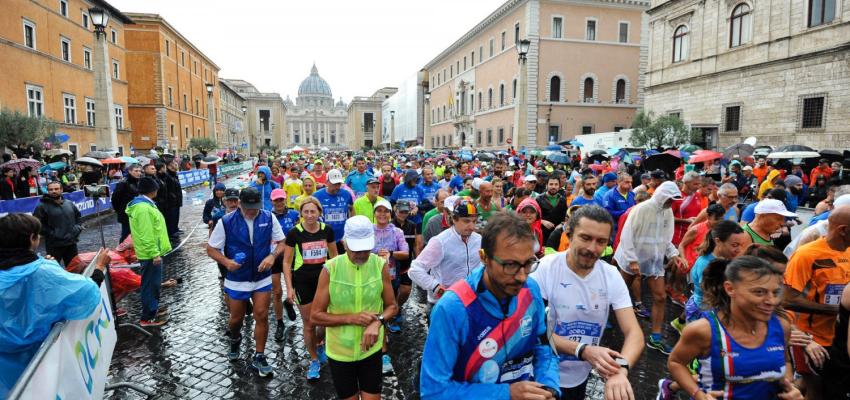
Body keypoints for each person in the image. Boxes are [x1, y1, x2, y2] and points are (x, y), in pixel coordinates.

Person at [419, 212, 560, 400]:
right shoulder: (452, 309)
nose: (521, 276)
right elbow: (433, 391)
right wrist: (506, 394)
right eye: (510, 265)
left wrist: (549, 387)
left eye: (528, 263)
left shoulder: (531, 289)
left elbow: (544, 347)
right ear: (484, 258)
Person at [533, 206, 643, 400]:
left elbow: (634, 333)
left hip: (578, 376)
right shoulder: (546, 269)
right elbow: (535, 331)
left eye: (601, 241)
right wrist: (582, 350)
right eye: (585, 238)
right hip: (541, 374)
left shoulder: (611, 276)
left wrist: (621, 369)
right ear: (569, 233)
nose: (592, 248)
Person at [666, 256, 803, 400]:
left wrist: (789, 387)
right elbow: (676, 362)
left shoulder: (781, 326)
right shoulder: (704, 330)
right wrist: (699, 395)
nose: (771, 301)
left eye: (775, 292)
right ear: (730, 289)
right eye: (759, 292)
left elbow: (786, 361)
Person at [0, 214, 103, 398]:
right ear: (32, 238)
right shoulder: (42, 271)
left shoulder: (37, 269)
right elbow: (87, 293)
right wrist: (99, 269)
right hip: (42, 361)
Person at [311, 216, 398, 400]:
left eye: (365, 250)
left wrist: (379, 322)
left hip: (371, 351)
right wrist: (351, 318)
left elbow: (392, 306)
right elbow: (316, 316)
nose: (361, 255)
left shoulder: (379, 265)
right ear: (344, 243)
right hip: (340, 353)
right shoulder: (330, 269)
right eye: (355, 250)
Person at [206, 187, 285, 377]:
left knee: (261, 315)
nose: (252, 211)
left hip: (261, 277)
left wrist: (272, 257)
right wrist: (227, 262)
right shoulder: (225, 222)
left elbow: (282, 242)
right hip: (237, 279)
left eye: (255, 207)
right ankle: (235, 338)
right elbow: (211, 249)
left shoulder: (268, 217)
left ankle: (259, 355)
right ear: (240, 204)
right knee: (236, 319)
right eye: (248, 207)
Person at [614, 181, 687, 353]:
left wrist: (674, 254)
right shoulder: (641, 209)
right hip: (631, 257)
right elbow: (627, 234)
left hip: (653, 260)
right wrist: (632, 259)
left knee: (660, 297)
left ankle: (655, 337)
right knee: (618, 292)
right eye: (670, 199)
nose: (672, 203)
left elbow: (666, 238)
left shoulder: (667, 212)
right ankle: (605, 321)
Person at [283, 196, 338, 381]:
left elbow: (334, 257)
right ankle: (314, 359)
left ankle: (320, 343)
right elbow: (286, 262)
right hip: (302, 282)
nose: (309, 215)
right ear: (300, 214)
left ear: (319, 213)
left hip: (324, 282)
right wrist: (289, 288)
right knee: (309, 323)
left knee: (323, 321)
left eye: (312, 211)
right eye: (305, 212)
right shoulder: (294, 233)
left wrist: (337, 281)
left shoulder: (327, 231)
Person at [409, 199, 481, 305]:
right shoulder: (440, 242)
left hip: (471, 301)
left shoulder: (478, 239)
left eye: (474, 221)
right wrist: (435, 286)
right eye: (466, 221)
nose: (471, 226)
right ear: (454, 219)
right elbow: (415, 269)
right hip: (443, 303)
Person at [127, 176, 173, 327]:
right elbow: (146, 234)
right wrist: (154, 253)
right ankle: (148, 317)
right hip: (150, 254)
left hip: (150, 252)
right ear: (154, 190)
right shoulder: (143, 208)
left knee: (153, 283)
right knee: (150, 284)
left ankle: (153, 308)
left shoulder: (145, 205)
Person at [270, 188, 300, 341]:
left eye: (281, 199)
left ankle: (289, 303)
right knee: (276, 292)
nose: (279, 203)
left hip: (293, 257)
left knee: (293, 290)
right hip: (274, 257)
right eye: (276, 200)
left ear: (285, 199)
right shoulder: (267, 216)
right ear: (272, 202)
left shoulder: (294, 214)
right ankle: (280, 322)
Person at [32, 181, 83, 266]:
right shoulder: (41, 206)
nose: (53, 191)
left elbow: (78, 217)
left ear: (61, 190)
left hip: (71, 243)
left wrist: (77, 228)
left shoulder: (69, 203)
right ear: (47, 191)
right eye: (51, 189)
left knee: (75, 269)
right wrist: (53, 233)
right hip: (54, 245)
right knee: (54, 271)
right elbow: (37, 224)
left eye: (56, 189)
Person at [391, 200, 419, 328]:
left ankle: (396, 308)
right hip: (391, 265)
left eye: (405, 212)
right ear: (395, 211)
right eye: (401, 211)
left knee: (406, 291)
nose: (403, 214)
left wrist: (418, 261)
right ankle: (391, 314)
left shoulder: (412, 225)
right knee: (391, 291)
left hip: (406, 264)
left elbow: (416, 246)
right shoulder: (390, 225)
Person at [313, 169, 355, 255]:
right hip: (323, 238)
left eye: (339, 184)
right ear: (327, 182)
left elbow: (351, 208)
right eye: (334, 184)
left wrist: (350, 225)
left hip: (342, 239)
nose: (337, 187)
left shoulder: (346, 194)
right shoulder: (317, 196)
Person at [678, 204, 725, 269]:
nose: (720, 222)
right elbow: (681, 245)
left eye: (722, 219)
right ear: (708, 217)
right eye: (717, 219)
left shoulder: (721, 230)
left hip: (707, 267)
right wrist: (683, 259)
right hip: (690, 266)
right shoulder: (696, 229)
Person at [111, 164, 142, 242]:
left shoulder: (138, 181)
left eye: (139, 171)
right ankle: (121, 250)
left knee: (135, 233)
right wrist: (120, 210)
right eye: (136, 171)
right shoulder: (123, 183)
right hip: (126, 213)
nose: (138, 173)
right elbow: (115, 198)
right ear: (130, 171)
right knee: (126, 234)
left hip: (137, 212)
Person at [601, 172, 635, 237]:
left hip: (629, 228)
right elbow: (608, 213)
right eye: (627, 182)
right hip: (616, 230)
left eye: (631, 182)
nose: (630, 184)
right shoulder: (609, 195)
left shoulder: (632, 194)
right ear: (619, 182)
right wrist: (626, 212)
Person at [536, 176, 567, 242]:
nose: (553, 187)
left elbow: (565, 217)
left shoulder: (563, 200)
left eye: (556, 184)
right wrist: (543, 221)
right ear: (546, 185)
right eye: (551, 184)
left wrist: (561, 224)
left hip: (558, 235)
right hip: (542, 235)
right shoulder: (538, 199)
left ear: (559, 186)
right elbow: (534, 217)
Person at [161, 158, 183, 238]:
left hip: (177, 199)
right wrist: (172, 197)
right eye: (174, 163)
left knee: (176, 215)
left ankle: (176, 229)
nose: (176, 165)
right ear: (169, 166)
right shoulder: (167, 175)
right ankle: (171, 231)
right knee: (171, 217)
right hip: (171, 200)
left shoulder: (174, 174)